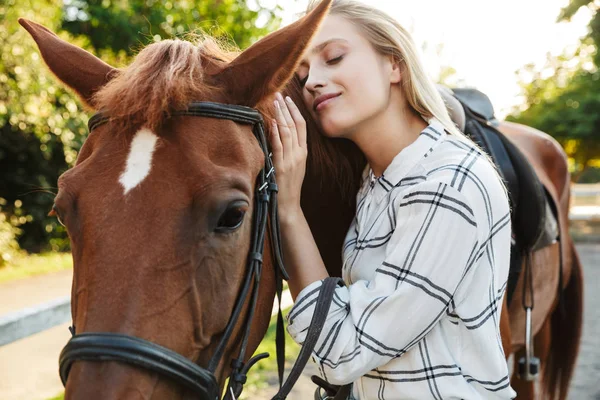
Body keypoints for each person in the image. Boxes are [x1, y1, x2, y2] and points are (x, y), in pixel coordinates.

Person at [268, 0, 516, 398]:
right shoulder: (375, 180)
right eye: (304, 73)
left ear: (395, 65)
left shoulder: (446, 182)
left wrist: (289, 212)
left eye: (333, 58)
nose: (313, 80)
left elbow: (343, 355)